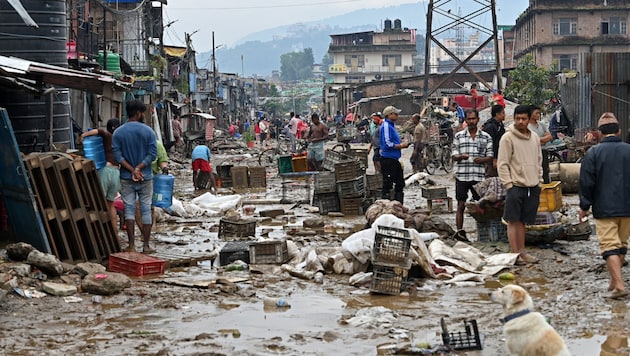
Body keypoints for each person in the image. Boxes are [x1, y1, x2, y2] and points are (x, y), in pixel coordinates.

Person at [579, 112, 630, 299]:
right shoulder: (628, 150)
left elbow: (586, 182)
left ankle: (619, 286)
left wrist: (584, 206)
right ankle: (613, 281)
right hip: (627, 208)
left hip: (605, 208)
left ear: (599, 133)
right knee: (621, 245)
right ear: (619, 131)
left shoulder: (593, 153)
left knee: (609, 246)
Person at [498, 104, 542, 265]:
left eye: (524, 118)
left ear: (529, 119)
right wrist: (508, 184)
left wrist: (539, 182)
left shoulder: (535, 138)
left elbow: (539, 161)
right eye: (517, 119)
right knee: (513, 220)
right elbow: (502, 164)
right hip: (515, 185)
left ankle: (522, 252)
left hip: (532, 185)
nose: (521, 122)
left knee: (523, 221)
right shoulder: (507, 138)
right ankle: (514, 254)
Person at [113, 99, 157, 254]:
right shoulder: (149, 131)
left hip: (126, 177)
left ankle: (131, 245)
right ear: (139, 114)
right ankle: (146, 245)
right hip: (146, 176)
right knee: (146, 209)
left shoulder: (118, 132)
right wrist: (139, 168)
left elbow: (117, 156)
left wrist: (132, 169)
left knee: (129, 210)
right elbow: (153, 154)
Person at [451, 109, 493, 235]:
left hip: (479, 177)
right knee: (461, 205)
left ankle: (483, 233)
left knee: (480, 205)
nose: (471, 121)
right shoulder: (459, 136)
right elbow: (453, 155)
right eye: (469, 119)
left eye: (473, 119)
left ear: (478, 120)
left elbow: (490, 157)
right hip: (462, 176)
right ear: (465, 121)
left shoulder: (486, 137)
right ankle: (460, 232)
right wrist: (460, 157)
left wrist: (482, 159)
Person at [80, 118, 120, 235]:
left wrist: (84, 135)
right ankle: (114, 232)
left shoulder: (107, 135)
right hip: (117, 172)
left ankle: (98, 232)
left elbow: (98, 131)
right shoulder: (120, 140)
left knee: (98, 202)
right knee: (110, 204)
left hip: (106, 171)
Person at [380, 105, 410, 204]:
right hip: (388, 158)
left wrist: (401, 142)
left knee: (400, 183)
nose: (397, 116)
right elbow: (387, 143)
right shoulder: (386, 126)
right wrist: (401, 145)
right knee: (387, 184)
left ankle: (398, 205)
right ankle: (386, 204)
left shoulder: (391, 126)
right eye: (395, 114)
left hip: (394, 158)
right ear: (389, 115)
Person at [528, 105, 553, 183]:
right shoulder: (527, 126)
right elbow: (530, 140)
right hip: (532, 153)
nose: (538, 115)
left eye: (539, 113)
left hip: (543, 151)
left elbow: (549, 136)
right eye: (536, 113)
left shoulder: (542, 124)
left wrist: (538, 140)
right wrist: (542, 140)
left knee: (545, 170)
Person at [482, 104, 507, 177]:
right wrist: (494, 159)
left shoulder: (500, 125)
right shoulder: (490, 127)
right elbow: (491, 144)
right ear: (497, 114)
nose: (504, 115)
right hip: (490, 159)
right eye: (503, 113)